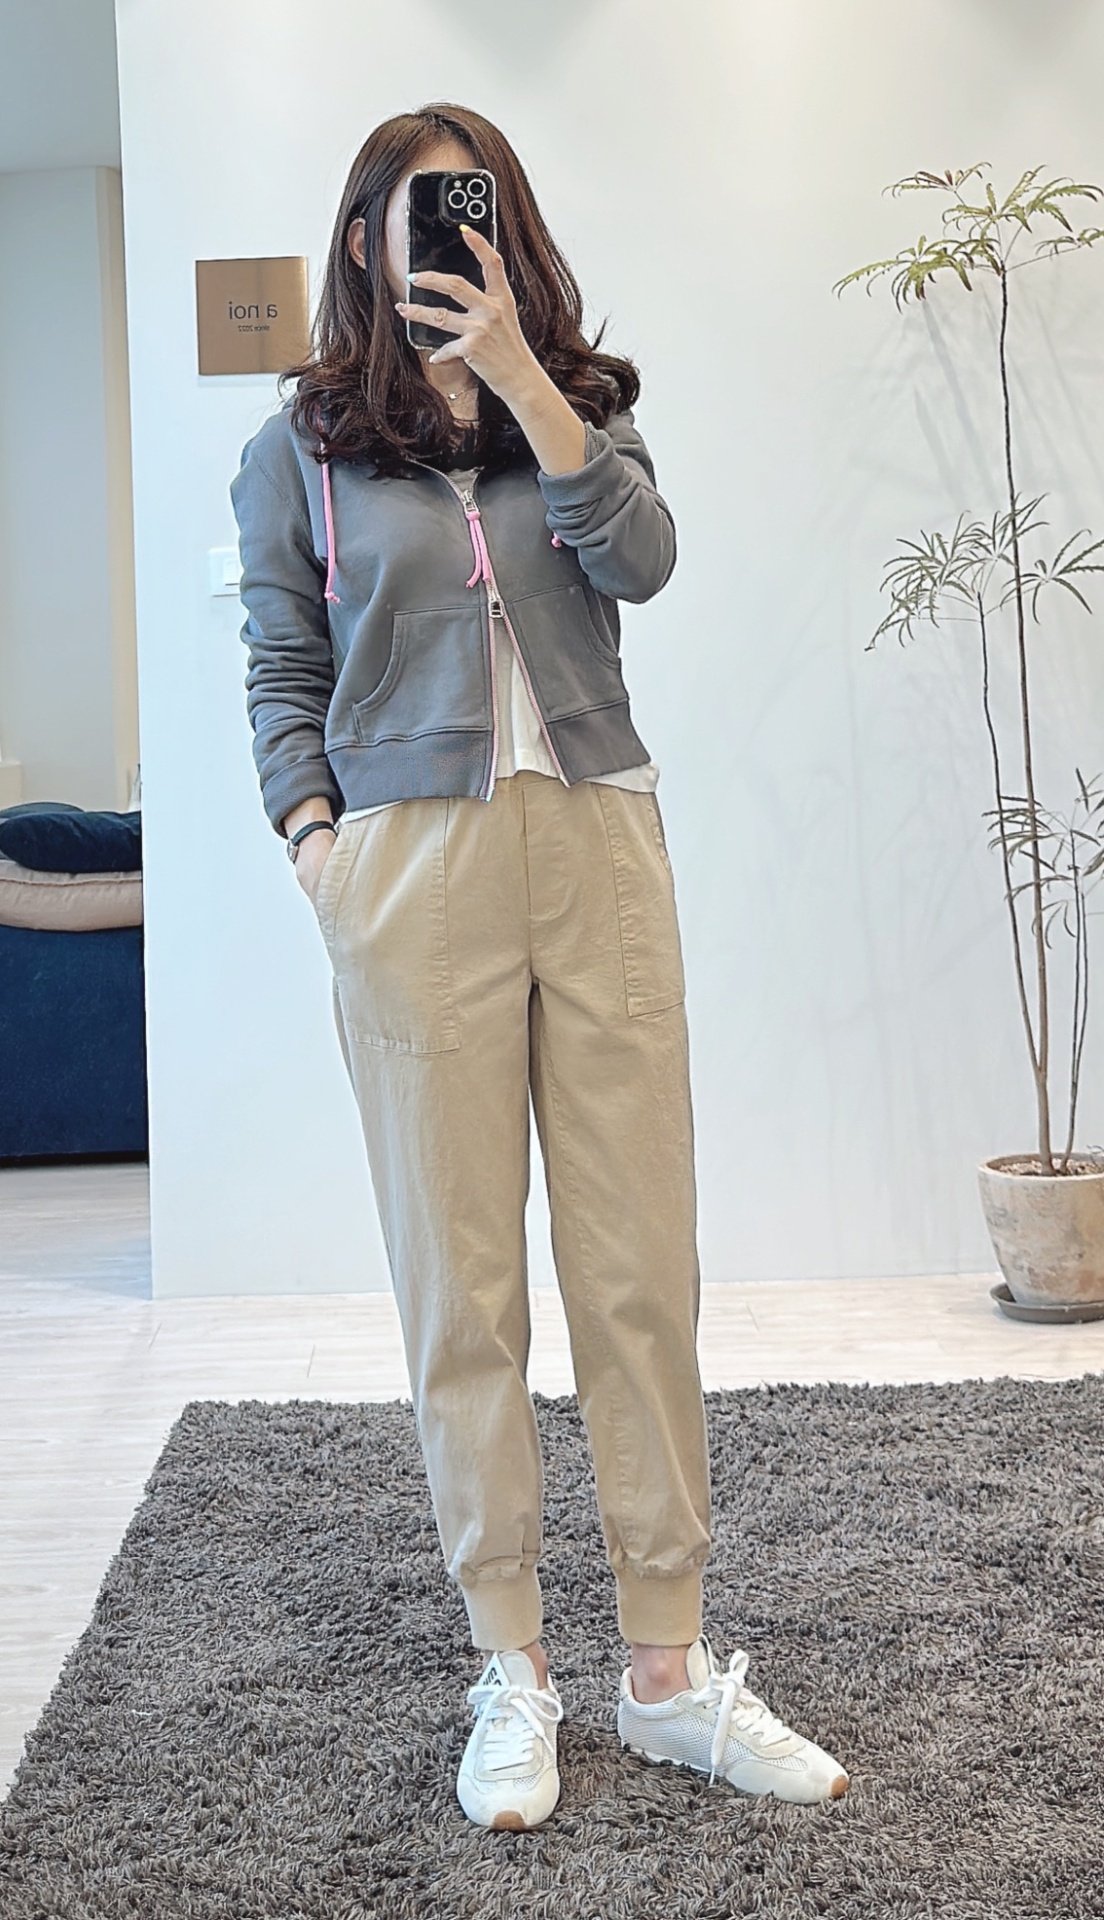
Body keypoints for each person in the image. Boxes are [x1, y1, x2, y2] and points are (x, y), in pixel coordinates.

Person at [229, 101, 849, 1831]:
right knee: (463, 1282)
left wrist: (521, 377)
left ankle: (666, 1670)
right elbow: (280, 662)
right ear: (365, 238)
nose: (442, 233)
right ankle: (512, 1662)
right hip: (407, 866)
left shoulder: (582, 401)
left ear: (507, 227)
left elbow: (641, 559)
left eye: (471, 206)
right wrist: (315, 843)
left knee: (639, 1262)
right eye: (414, 210)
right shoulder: (299, 449)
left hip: (596, 843)